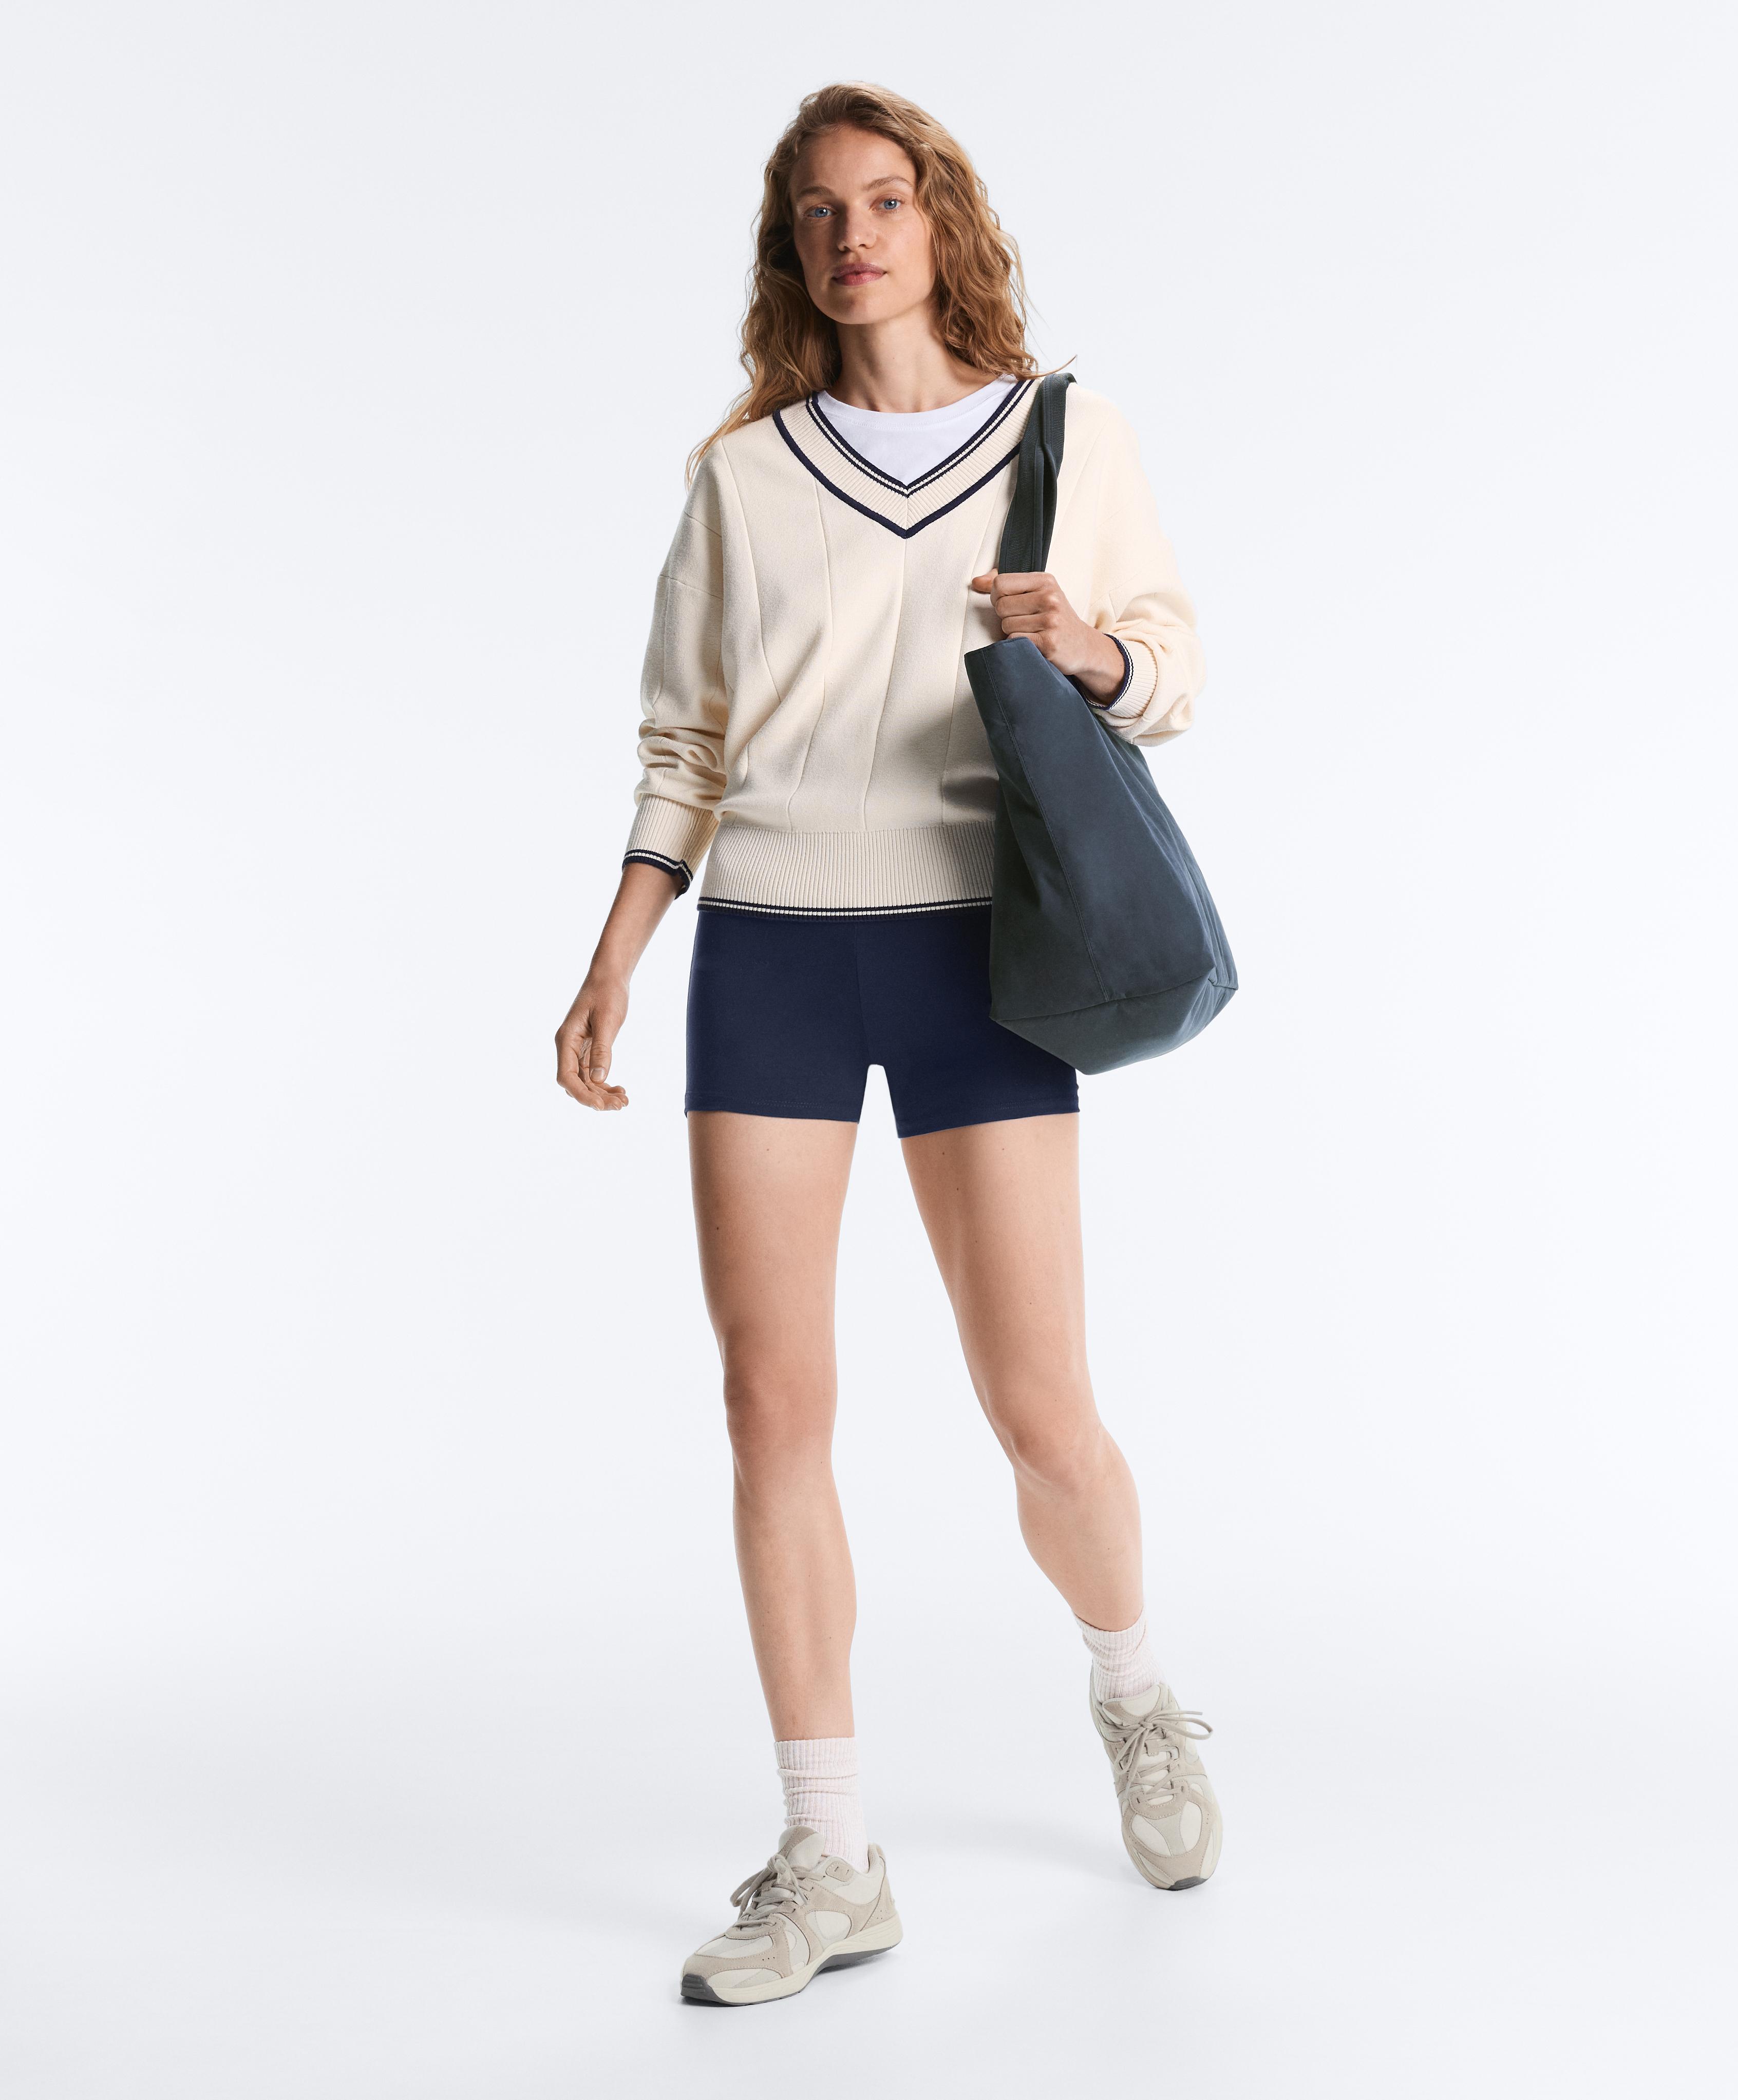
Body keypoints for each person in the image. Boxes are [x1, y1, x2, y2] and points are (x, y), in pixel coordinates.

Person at [555, 82, 1220, 2008]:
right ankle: (832, 1851)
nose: (857, 236)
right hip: (769, 950)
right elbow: (685, 741)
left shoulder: (1065, 434)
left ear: (944, 224)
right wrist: (615, 954)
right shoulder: (742, 477)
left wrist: (1087, 645)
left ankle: (1137, 1693)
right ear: (795, 250)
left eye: (888, 200)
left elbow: (1170, 666)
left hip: (977, 955)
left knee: (1041, 1407)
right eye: (822, 212)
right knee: (773, 1404)